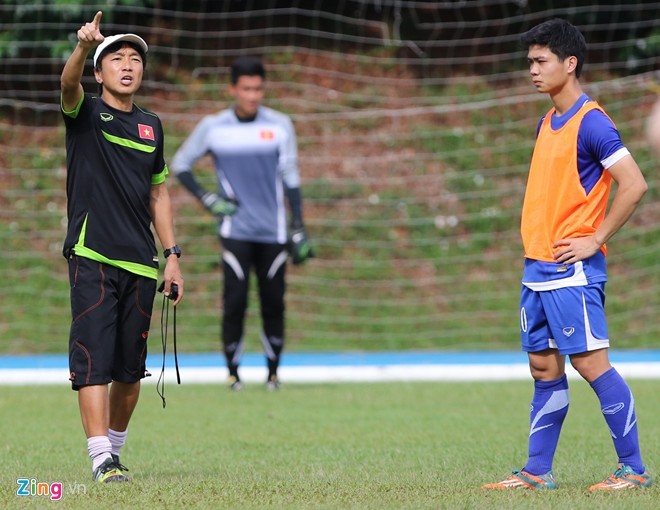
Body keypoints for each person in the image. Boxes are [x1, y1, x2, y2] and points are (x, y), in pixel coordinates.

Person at [483, 19, 651, 491]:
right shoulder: (547, 121)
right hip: (536, 268)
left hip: (571, 271)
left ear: (569, 63)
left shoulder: (592, 121)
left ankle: (633, 471)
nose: (531, 70)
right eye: (529, 62)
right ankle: (537, 472)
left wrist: (596, 239)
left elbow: (635, 184)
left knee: (591, 365)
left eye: (541, 61)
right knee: (543, 368)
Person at [61, 11, 184, 483]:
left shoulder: (152, 126)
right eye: (116, 58)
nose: (127, 65)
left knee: (131, 371)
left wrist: (172, 256)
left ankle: (113, 451)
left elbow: (158, 192)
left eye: (135, 58)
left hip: (141, 260)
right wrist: (80, 47)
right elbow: (67, 85)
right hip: (92, 256)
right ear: (100, 72)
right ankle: (100, 459)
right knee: (92, 360)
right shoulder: (85, 111)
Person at [171, 56, 312, 391]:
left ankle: (273, 373)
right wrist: (208, 199)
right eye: (246, 88)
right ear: (233, 89)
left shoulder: (280, 125)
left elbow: (291, 177)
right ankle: (233, 373)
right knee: (234, 302)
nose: (253, 95)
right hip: (235, 233)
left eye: (258, 88)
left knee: (273, 302)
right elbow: (180, 163)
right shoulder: (213, 127)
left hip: (274, 232)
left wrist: (299, 225)